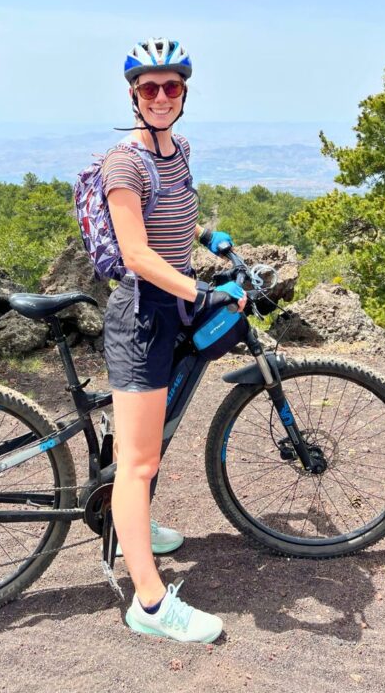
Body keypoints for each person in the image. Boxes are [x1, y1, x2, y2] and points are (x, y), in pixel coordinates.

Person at [101, 38, 247, 643]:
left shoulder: (178, 150)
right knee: (137, 463)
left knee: (151, 441)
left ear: (184, 94)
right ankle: (151, 605)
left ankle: (134, 523)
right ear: (134, 95)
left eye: (172, 87)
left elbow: (175, 224)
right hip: (142, 316)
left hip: (172, 308)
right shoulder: (125, 164)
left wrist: (210, 242)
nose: (162, 97)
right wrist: (196, 290)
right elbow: (135, 252)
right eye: (150, 88)